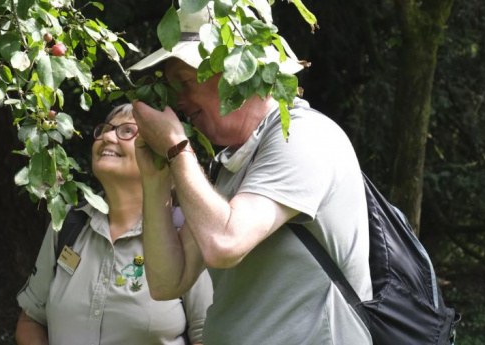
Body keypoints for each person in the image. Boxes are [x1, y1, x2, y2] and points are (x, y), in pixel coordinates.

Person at [129, 4, 373, 345]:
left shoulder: (304, 137)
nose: (177, 102)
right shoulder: (235, 162)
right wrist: (156, 181)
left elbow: (225, 243)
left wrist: (176, 148)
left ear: (238, 70)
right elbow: (168, 281)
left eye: (184, 82)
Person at [15, 103, 213, 345]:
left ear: (160, 155)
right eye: (105, 130)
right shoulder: (68, 225)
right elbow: (31, 320)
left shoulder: (187, 233)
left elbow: (210, 335)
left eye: (128, 131)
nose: (107, 137)